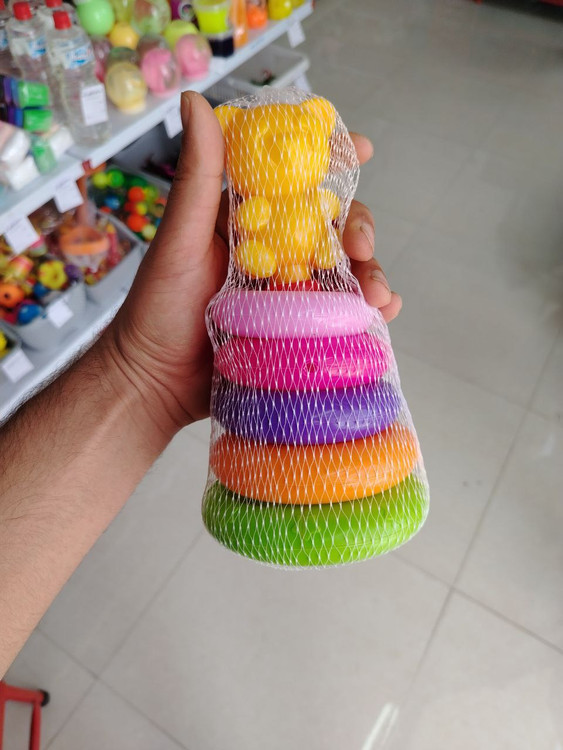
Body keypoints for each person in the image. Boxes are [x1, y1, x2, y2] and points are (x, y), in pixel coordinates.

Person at [0, 92, 402, 677]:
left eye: (295, 141)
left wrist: (139, 378)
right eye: (267, 144)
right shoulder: (243, 217)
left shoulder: (319, 204)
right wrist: (140, 372)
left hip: (307, 286)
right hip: (261, 285)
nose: (282, 151)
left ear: (321, 138)